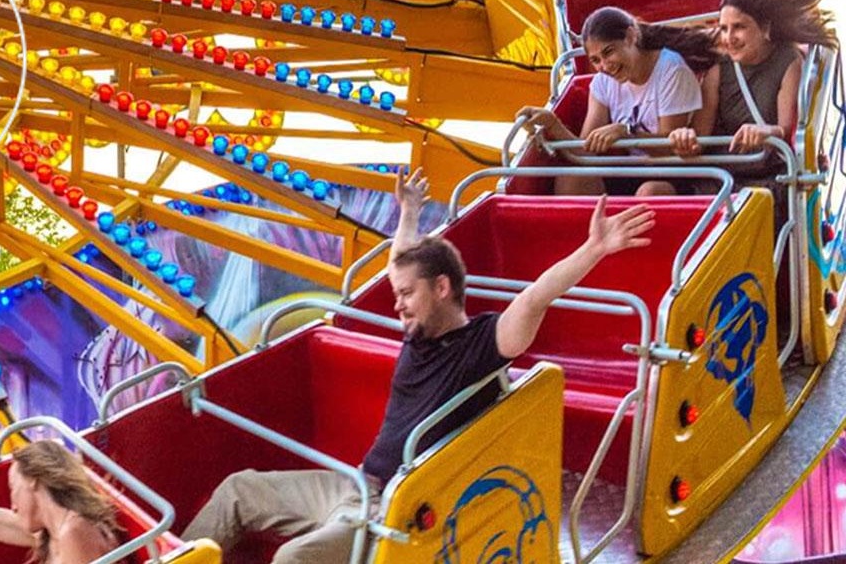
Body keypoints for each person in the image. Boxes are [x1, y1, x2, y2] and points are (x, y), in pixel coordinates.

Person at [182, 169, 655, 563]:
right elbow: (400, 264)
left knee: (294, 559)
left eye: (407, 295)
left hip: (390, 509)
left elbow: (535, 298)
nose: (398, 305)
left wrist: (594, 249)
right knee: (238, 490)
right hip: (354, 481)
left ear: (442, 289)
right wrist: (408, 212)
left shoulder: (481, 345)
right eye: (399, 294)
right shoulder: (417, 335)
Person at [517, 6, 719, 195]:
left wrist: (627, 132)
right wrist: (553, 124)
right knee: (571, 178)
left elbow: (670, 151)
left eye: (608, 52)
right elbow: (586, 151)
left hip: (672, 171)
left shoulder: (672, 70)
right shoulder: (602, 83)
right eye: (596, 60)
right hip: (631, 169)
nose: (605, 66)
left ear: (630, 37)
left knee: (649, 191)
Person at [671, 0, 839, 179]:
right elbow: (701, 137)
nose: (729, 38)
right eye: (724, 29)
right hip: (721, 175)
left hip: (767, 175)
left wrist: (765, 132)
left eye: (739, 27)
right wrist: (684, 138)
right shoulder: (719, 67)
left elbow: (785, 129)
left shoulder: (788, 60)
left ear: (765, 28)